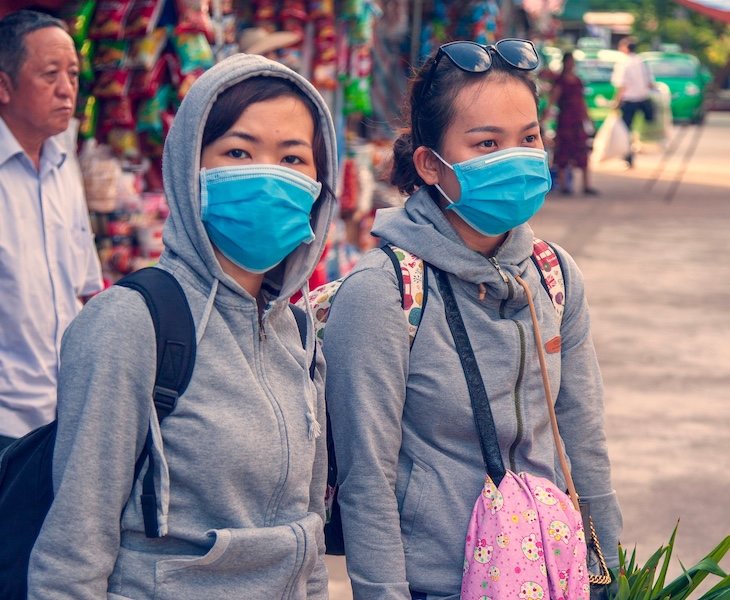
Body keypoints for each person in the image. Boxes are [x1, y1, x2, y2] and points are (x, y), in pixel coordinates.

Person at [28, 52, 337, 598]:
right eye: (239, 152)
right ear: (189, 166)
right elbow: (73, 548)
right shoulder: (130, 322)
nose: (269, 176)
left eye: (293, 158)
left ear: (320, 183)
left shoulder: (301, 334)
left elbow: (306, 535)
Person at [323, 39, 622, 599]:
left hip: (555, 577)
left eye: (528, 138)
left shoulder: (554, 277)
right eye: (487, 143)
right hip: (437, 584)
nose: (516, 157)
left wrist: (614, 573)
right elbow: (368, 481)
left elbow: (582, 438)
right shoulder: (385, 292)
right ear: (431, 165)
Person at [0, 10, 103, 450]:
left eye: (73, 75)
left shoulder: (64, 165)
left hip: (63, 414)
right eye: (50, 75)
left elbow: (83, 290)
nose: (67, 89)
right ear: (4, 87)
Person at [547, 51, 598, 195]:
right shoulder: (560, 81)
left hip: (577, 121)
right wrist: (545, 117)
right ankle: (564, 186)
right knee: (563, 154)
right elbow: (553, 100)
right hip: (565, 121)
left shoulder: (577, 80)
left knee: (582, 153)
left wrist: (589, 119)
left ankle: (586, 185)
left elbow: (583, 102)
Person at [611, 36, 655, 168]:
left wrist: (616, 102)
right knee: (634, 129)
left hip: (629, 101)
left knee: (626, 130)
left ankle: (628, 156)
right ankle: (630, 154)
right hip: (641, 100)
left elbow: (621, 85)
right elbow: (649, 83)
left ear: (625, 48)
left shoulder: (624, 63)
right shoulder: (640, 61)